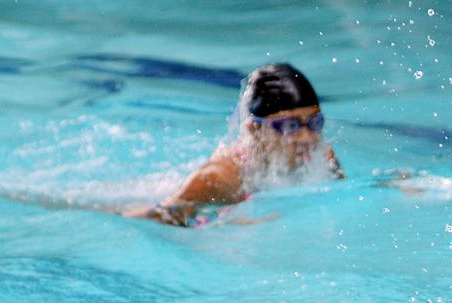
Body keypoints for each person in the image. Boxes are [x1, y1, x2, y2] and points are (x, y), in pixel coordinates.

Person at [127, 63, 343, 227]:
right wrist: (228, 225)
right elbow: (161, 219)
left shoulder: (323, 157)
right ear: (254, 130)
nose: (307, 137)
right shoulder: (220, 178)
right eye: (289, 126)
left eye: (314, 122)